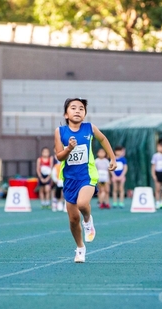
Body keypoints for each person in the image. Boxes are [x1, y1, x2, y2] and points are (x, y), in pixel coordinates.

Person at [54, 98, 116, 263]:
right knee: (73, 219)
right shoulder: (60, 131)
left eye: (81, 108)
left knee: (82, 204)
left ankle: (88, 220)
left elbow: (103, 139)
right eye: (73, 108)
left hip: (87, 175)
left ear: (85, 114)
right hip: (69, 179)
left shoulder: (90, 128)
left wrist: (112, 158)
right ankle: (80, 248)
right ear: (66, 114)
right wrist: (69, 148)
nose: (77, 111)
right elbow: (59, 156)